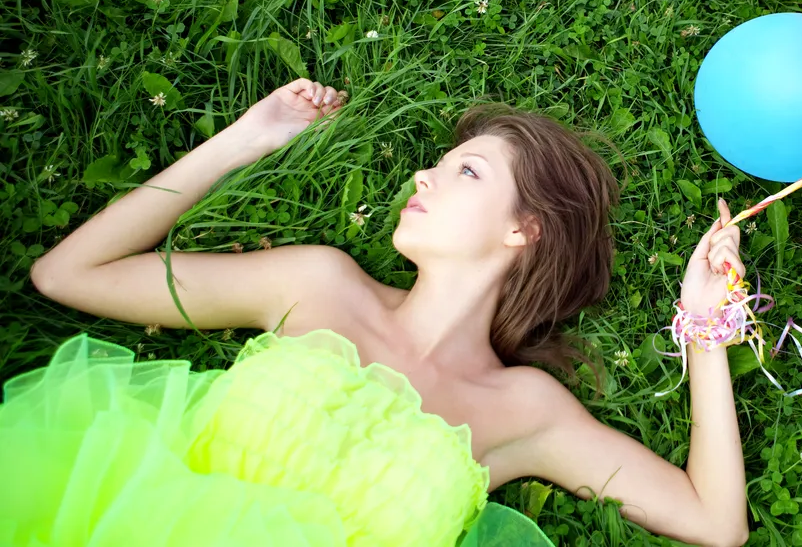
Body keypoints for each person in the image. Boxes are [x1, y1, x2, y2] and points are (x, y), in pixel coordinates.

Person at [3, 78, 751, 547]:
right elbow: (69, 273)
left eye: (466, 170)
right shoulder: (317, 285)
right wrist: (247, 139)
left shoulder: (526, 412)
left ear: (524, 230)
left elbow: (714, 524)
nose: (424, 173)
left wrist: (705, 328)